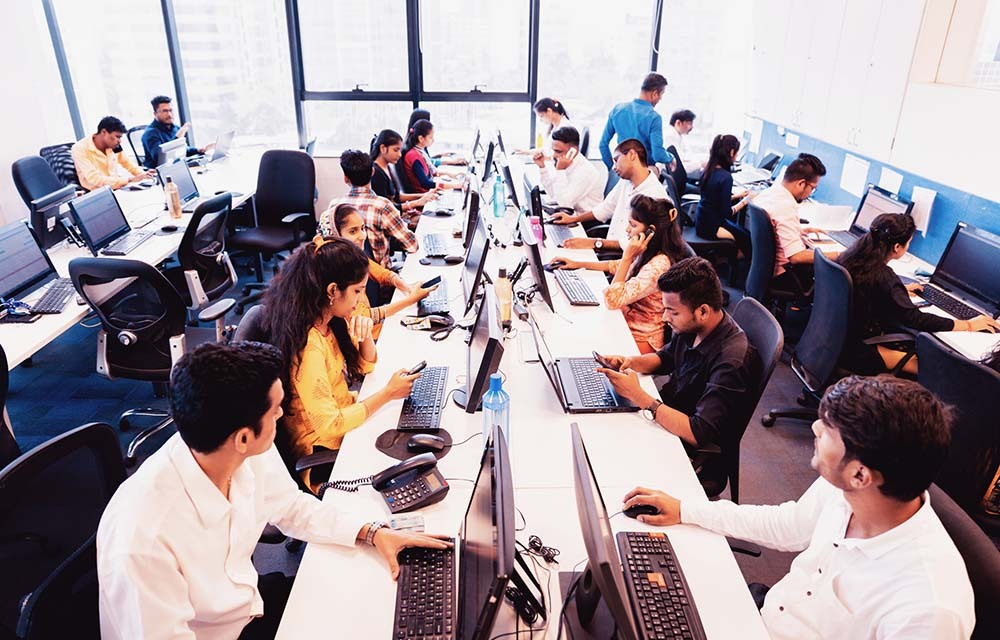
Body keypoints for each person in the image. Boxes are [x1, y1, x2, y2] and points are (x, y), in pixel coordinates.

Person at [96, 341, 451, 640]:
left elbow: (291, 507)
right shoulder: (142, 539)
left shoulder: (234, 450)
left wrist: (373, 533)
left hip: (247, 605)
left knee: (375, 604)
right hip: (217, 632)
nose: (283, 414)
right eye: (276, 409)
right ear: (243, 437)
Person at [622, 374, 975, 639]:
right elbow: (789, 525)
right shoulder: (848, 489)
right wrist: (686, 509)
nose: (815, 428)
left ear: (861, 474)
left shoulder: (929, 609)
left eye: (829, 430)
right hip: (764, 619)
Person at [261, 236, 421, 491]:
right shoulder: (309, 345)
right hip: (324, 453)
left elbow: (365, 367)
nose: (360, 299)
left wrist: (366, 334)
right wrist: (388, 393)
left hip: (346, 420)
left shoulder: (327, 319)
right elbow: (330, 426)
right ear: (333, 290)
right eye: (357, 291)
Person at [596, 257, 760, 491]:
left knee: (605, 458)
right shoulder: (694, 324)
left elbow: (698, 432)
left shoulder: (730, 360)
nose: (665, 318)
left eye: (671, 312)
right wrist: (630, 362)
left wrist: (640, 397)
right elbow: (667, 358)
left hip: (688, 449)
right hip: (667, 417)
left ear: (702, 311)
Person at [837, 213, 999, 375]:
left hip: (837, 339)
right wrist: (968, 325)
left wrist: (896, 292)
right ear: (897, 247)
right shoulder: (883, 276)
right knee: (934, 369)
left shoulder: (853, 257)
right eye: (909, 243)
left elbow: (867, 288)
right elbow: (915, 319)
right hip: (857, 351)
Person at [550, 194, 693, 352]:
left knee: (580, 342)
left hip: (641, 337)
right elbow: (617, 266)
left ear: (651, 231)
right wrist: (578, 264)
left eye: (633, 225)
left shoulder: (659, 265)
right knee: (578, 329)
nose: (627, 229)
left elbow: (613, 300)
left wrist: (627, 256)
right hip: (625, 321)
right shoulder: (651, 251)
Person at [325, 203, 436, 339]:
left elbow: (384, 275)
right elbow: (365, 316)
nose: (362, 236)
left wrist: (407, 288)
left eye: (362, 228)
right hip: (364, 338)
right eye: (353, 231)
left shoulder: (355, 257)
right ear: (335, 234)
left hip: (373, 330)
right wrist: (412, 299)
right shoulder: (335, 270)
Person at [549, 139, 670, 252]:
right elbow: (606, 208)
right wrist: (573, 219)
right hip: (608, 249)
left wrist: (594, 243)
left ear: (632, 155)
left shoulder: (655, 195)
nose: (613, 167)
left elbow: (635, 244)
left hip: (623, 257)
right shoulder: (626, 182)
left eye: (616, 160)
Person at [750, 152, 835, 291]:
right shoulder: (786, 206)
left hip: (762, 272)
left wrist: (799, 230)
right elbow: (797, 257)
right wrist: (838, 255)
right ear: (801, 183)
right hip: (784, 275)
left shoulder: (770, 193)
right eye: (812, 188)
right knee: (835, 272)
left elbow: (772, 230)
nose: (810, 193)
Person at [321, 149, 418, 268]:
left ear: (346, 178)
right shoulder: (383, 206)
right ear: (373, 172)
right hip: (381, 280)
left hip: (347, 279)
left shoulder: (334, 206)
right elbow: (412, 245)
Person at [599, 73, 675, 172]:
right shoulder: (654, 117)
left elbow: (603, 144)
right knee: (659, 172)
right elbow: (658, 154)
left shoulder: (617, 109)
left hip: (622, 170)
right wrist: (671, 158)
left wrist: (613, 167)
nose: (660, 99)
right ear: (655, 94)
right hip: (642, 173)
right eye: (661, 95)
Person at [694, 134, 751, 255]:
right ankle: (734, 268)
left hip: (701, 220)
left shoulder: (708, 169)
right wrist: (745, 201)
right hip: (712, 227)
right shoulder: (726, 177)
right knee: (748, 240)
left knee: (742, 234)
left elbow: (713, 198)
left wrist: (736, 196)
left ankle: (725, 261)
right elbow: (726, 213)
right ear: (731, 152)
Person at [71, 116, 155, 190]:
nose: (119, 141)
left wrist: (144, 175)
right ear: (104, 132)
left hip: (117, 187)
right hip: (97, 192)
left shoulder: (114, 145)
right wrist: (129, 180)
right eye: (117, 137)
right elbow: (94, 179)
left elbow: (127, 163)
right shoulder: (80, 148)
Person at [532, 125, 603, 213]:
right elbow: (553, 194)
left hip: (586, 222)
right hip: (573, 215)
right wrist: (542, 167)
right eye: (554, 150)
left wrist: (560, 170)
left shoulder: (585, 171)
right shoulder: (566, 163)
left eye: (558, 151)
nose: (554, 155)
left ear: (573, 150)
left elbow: (564, 204)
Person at [369, 129, 440, 212]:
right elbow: (385, 209)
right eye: (396, 150)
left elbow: (397, 197)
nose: (399, 154)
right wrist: (416, 203)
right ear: (383, 148)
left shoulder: (387, 167)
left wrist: (424, 195)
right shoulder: (376, 173)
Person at [140, 95, 210, 169]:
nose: (169, 114)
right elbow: (160, 159)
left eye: (171, 110)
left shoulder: (175, 128)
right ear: (155, 114)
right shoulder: (150, 133)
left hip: (177, 166)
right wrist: (177, 138)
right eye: (165, 111)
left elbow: (182, 150)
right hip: (159, 173)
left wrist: (198, 149)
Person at [398, 120, 461, 193]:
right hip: (424, 195)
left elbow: (430, 173)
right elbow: (426, 183)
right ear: (421, 138)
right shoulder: (413, 156)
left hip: (428, 192)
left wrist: (448, 174)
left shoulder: (419, 152)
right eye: (431, 137)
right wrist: (454, 185)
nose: (433, 140)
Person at [663, 109, 702, 175]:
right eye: (689, 123)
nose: (691, 127)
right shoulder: (670, 137)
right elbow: (679, 164)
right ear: (678, 123)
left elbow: (686, 157)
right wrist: (700, 164)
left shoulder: (678, 136)